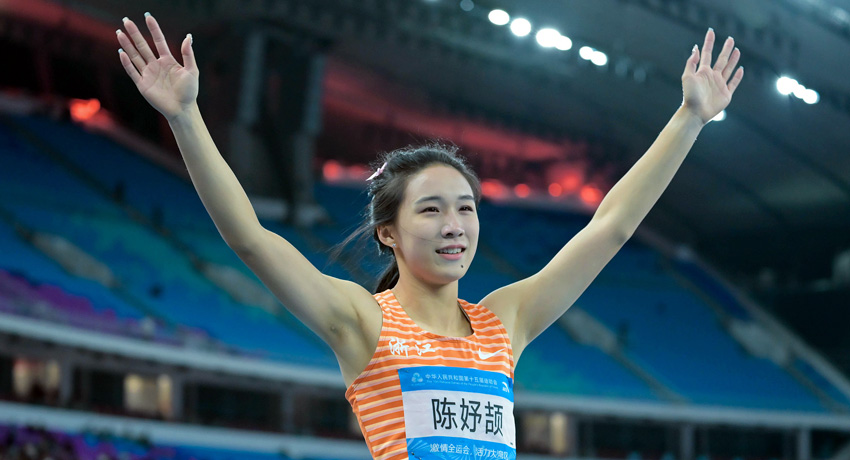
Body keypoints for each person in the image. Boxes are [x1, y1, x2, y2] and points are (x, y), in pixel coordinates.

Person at [116, 13, 743, 460]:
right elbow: (250, 238)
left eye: (466, 208)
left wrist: (690, 118)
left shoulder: (504, 324)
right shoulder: (362, 320)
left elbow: (610, 228)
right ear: (387, 232)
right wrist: (186, 116)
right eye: (432, 210)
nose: (454, 225)